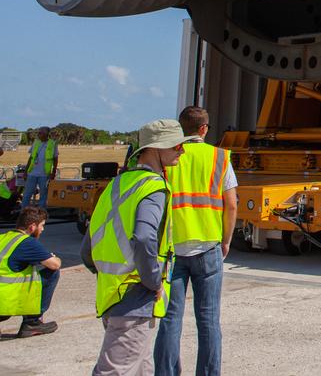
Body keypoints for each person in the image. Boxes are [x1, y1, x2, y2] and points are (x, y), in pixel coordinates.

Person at [83, 119, 186, 376]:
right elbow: (143, 238)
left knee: (141, 367)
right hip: (135, 296)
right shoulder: (153, 188)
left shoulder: (115, 185)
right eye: (175, 146)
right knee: (115, 370)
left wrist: (109, 273)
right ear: (155, 149)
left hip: (112, 293)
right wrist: (153, 281)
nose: (181, 152)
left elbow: (87, 249)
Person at [154, 106, 238, 376]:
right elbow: (232, 205)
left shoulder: (168, 158)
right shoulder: (219, 157)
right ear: (204, 129)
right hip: (208, 246)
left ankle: (165, 372)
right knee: (209, 320)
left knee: (169, 319)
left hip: (172, 248)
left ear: (181, 129)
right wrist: (226, 240)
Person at [0, 205, 62, 340]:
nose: (42, 229)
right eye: (41, 225)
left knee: (20, 275)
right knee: (52, 273)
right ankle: (32, 322)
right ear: (32, 227)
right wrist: (54, 256)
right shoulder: (26, 242)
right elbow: (55, 264)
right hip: (2, 300)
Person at [22, 126, 59, 208]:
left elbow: (55, 159)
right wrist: (25, 172)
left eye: (40, 133)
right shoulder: (36, 142)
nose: (38, 134)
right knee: (27, 194)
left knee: (43, 195)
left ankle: (41, 214)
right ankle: (23, 213)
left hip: (44, 174)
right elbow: (31, 157)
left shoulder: (52, 144)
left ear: (46, 134)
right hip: (32, 173)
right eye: (38, 132)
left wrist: (53, 172)